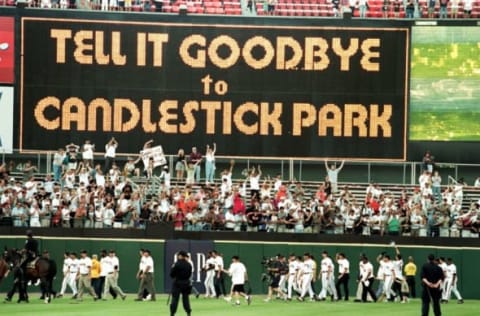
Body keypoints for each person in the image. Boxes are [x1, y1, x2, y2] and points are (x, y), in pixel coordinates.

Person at [169, 250, 193, 315]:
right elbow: (189, 274)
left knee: (175, 299)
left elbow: (172, 275)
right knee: (186, 299)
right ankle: (188, 312)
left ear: (180, 256)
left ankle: (172, 313)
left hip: (177, 283)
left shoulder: (176, 264)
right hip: (186, 283)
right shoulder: (189, 265)